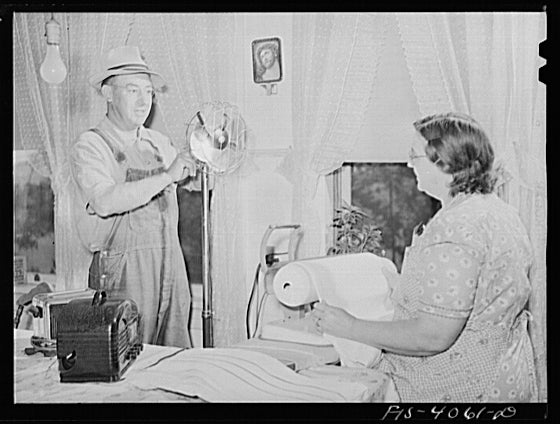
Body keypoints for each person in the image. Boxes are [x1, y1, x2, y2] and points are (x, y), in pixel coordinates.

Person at [312, 112, 537, 402]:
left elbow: (432, 336)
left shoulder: (455, 227)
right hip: (504, 375)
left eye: (414, 156)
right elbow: (478, 294)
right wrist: (406, 286)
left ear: (444, 161)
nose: (408, 164)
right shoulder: (498, 211)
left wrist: (349, 326)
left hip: (462, 392)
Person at [70, 46, 197, 348]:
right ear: (108, 93)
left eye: (149, 92)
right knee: (126, 364)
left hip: (171, 265)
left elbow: (187, 175)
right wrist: (167, 176)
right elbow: (104, 201)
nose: (144, 102)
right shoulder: (90, 145)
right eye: (132, 90)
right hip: (124, 275)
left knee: (174, 362)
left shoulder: (159, 143)